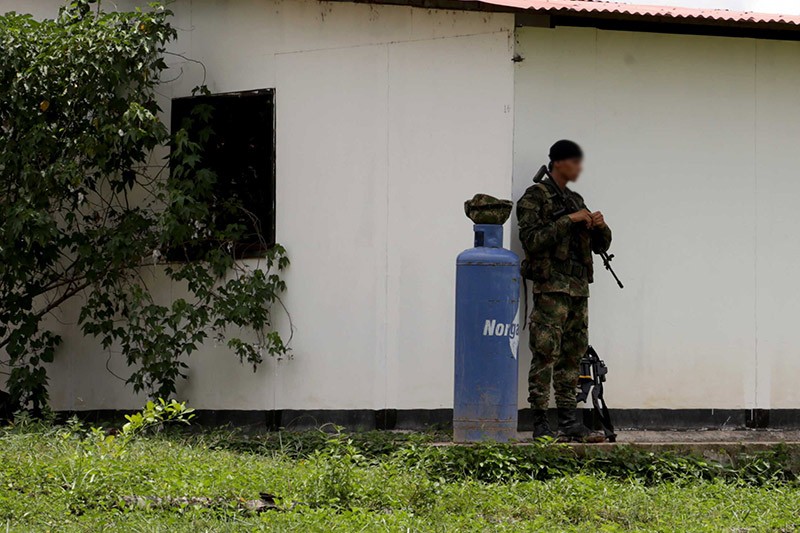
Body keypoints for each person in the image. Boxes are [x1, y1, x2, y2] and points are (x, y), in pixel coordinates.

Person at [516, 140, 612, 440]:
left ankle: (569, 422)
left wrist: (600, 226)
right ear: (559, 162)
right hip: (551, 289)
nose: (579, 168)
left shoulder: (575, 199)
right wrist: (568, 220)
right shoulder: (535, 197)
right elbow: (531, 240)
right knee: (545, 353)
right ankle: (541, 423)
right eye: (575, 162)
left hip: (578, 290)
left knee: (573, 355)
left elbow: (600, 246)